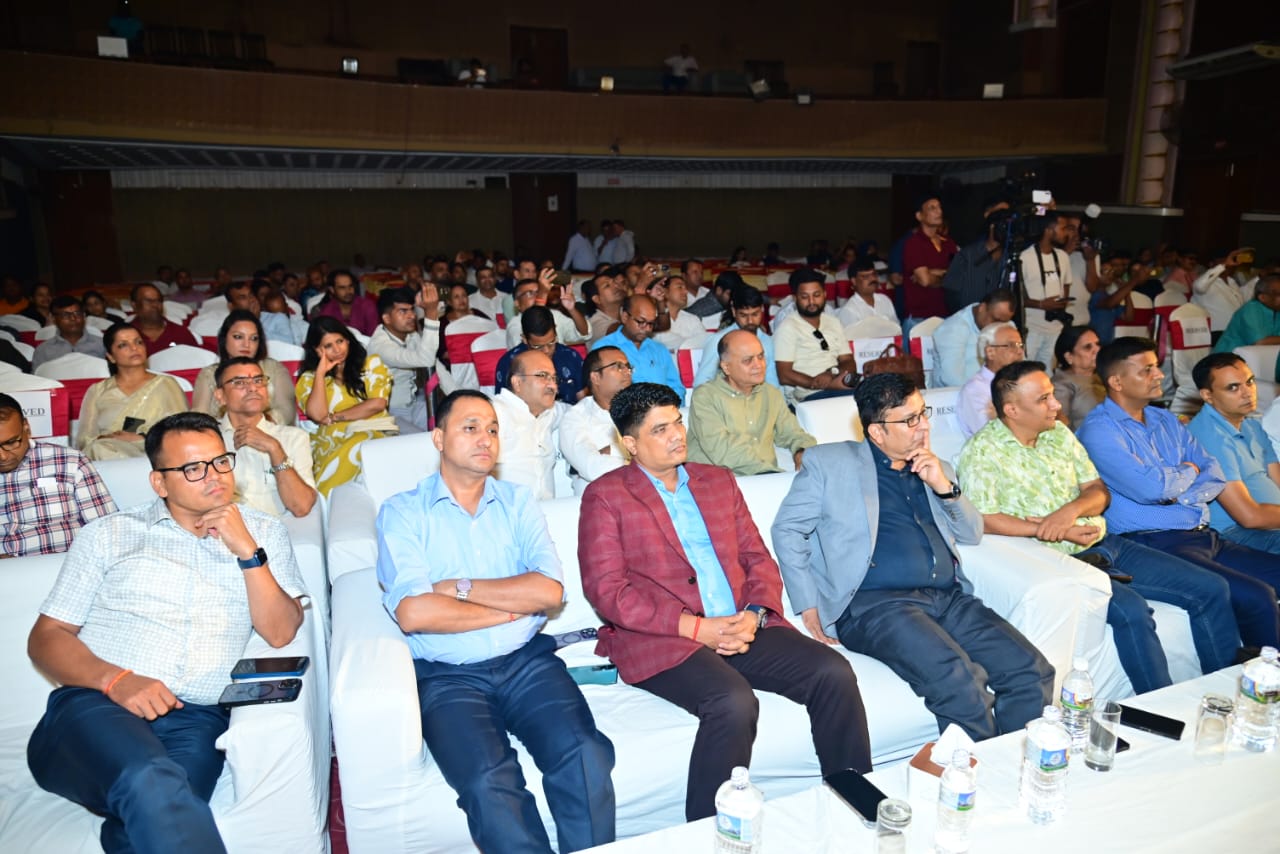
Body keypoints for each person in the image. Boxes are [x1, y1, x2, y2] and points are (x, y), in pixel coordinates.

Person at [579, 383, 871, 822]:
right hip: (668, 638)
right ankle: (707, 831)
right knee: (733, 701)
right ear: (631, 443)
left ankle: (854, 800)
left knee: (833, 672)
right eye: (661, 429)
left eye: (677, 421)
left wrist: (754, 615)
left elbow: (757, 558)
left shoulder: (716, 480)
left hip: (742, 625)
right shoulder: (606, 495)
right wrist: (697, 628)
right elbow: (608, 591)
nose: (677, 434)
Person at [27, 412, 306, 854]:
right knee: (151, 780)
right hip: (95, 708)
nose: (213, 477)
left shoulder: (265, 532)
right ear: (159, 483)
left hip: (194, 720)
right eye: (193, 469)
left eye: (221, 462)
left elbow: (280, 632)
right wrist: (115, 680)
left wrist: (248, 553)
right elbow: (46, 636)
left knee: (150, 816)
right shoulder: (110, 534)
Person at [376, 390, 615, 852]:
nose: (485, 438)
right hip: (448, 678)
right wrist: (509, 606)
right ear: (438, 438)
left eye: (492, 429)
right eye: (470, 427)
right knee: (489, 782)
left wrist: (458, 587)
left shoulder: (517, 501)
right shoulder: (402, 512)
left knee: (586, 754)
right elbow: (414, 612)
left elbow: (549, 592)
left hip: (527, 662)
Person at [771, 372, 1054, 741]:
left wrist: (944, 487)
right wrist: (807, 601)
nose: (923, 427)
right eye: (909, 420)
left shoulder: (938, 468)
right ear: (876, 432)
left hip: (949, 599)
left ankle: (1016, 770)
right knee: (962, 682)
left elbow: (971, 532)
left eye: (923, 414)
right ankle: (973, 787)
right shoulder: (830, 463)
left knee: (1031, 670)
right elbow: (788, 529)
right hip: (877, 606)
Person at [957, 361, 1240, 687]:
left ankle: (1226, 694)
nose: (1056, 405)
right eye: (1043, 400)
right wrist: (1049, 529)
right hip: (1055, 560)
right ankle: (1158, 710)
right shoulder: (982, 452)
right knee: (1133, 611)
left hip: (1102, 542)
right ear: (1012, 410)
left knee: (1211, 588)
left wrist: (1069, 512)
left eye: (1052, 395)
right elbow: (983, 519)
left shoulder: (1058, 434)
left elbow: (1097, 491)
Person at [1077, 337, 1280, 648]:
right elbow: (1151, 490)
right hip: (1154, 541)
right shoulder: (1100, 430)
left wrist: (1178, 492)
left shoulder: (1163, 418)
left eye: (1156, 367)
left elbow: (1213, 473)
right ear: (1116, 381)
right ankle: (1254, 683)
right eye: (1146, 370)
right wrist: (1187, 475)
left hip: (1203, 534)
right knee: (1256, 595)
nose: (1159, 375)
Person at [0, 392, 116, 557]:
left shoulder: (69, 460)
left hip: (65, 567)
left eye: (11, 442)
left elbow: (107, 529)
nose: (3, 456)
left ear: (26, 428)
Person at [1187, 352, 1280, 554]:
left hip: (1271, 524)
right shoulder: (1209, 437)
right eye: (1233, 388)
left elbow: (1277, 478)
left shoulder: (1251, 425)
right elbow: (1249, 517)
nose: (1248, 393)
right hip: (1233, 534)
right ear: (1207, 395)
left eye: (1250, 382)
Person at [688, 331, 815, 475]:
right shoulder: (705, 396)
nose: (758, 365)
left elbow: (792, 433)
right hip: (720, 482)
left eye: (760, 356)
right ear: (726, 367)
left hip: (765, 479)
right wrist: (772, 474)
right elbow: (722, 450)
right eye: (748, 360)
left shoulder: (771, 394)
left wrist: (802, 451)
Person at [295, 316, 392, 497]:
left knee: (361, 442)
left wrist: (335, 417)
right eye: (328, 346)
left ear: (348, 340)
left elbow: (377, 403)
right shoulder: (309, 379)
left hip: (372, 431)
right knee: (353, 445)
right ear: (317, 350)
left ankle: (320, 498)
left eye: (340, 341)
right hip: (329, 441)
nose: (337, 349)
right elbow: (317, 414)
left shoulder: (371, 364)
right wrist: (320, 374)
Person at [212, 357, 317, 518]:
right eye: (240, 382)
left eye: (258, 380)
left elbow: (301, 507)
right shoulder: (208, 440)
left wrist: (275, 449)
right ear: (220, 396)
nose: (252, 388)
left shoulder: (293, 438)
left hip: (274, 533)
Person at [76, 323, 188, 461]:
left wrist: (142, 438)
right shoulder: (98, 390)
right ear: (110, 356)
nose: (134, 348)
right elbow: (84, 439)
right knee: (99, 449)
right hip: (105, 455)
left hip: (154, 455)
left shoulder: (166, 384)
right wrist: (110, 439)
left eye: (138, 342)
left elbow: (182, 430)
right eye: (123, 345)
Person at [191, 310, 297, 426]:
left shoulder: (274, 369)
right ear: (224, 338)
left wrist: (256, 426)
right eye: (238, 337)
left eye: (254, 338)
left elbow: (286, 411)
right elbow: (199, 416)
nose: (246, 344)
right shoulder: (208, 374)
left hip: (270, 433)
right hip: (221, 437)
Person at [491, 349, 570, 500]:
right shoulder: (492, 412)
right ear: (517, 383)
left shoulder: (552, 412)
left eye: (554, 378)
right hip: (505, 514)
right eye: (542, 376)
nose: (552, 385)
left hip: (548, 513)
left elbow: (586, 410)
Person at [774, 270, 857, 401]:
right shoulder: (787, 327)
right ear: (795, 298)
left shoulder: (833, 322)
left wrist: (831, 373)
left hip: (837, 386)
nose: (811, 301)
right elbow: (784, 374)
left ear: (824, 294)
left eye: (816, 295)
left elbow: (849, 362)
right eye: (805, 297)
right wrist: (816, 383)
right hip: (809, 395)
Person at [367, 286, 440, 434]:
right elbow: (425, 359)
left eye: (412, 309)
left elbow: (436, 366)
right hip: (391, 413)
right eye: (403, 311)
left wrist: (459, 394)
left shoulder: (410, 335)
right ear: (386, 318)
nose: (412, 316)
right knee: (423, 444)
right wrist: (431, 314)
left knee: (451, 425)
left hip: (415, 404)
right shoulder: (380, 346)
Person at [559, 346, 631, 495]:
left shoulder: (642, 409)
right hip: (599, 502)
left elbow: (659, 455)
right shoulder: (575, 417)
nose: (627, 372)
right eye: (618, 366)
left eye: (628, 367)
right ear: (595, 377)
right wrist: (627, 450)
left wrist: (610, 450)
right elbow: (592, 467)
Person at [590, 295, 684, 398]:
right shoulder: (603, 349)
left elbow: (677, 388)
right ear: (625, 317)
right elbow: (600, 394)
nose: (647, 329)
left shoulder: (659, 350)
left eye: (651, 323)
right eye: (641, 322)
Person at [494, 306, 585, 405]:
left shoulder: (570, 356)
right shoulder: (509, 364)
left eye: (551, 342)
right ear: (524, 339)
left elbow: (583, 399)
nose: (546, 350)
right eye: (537, 346)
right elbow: (503, 406)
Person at [1017, 212, 1075, 367]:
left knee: (1048, 375)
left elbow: (1066, 284)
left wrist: (1062, 303)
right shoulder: (1025, 257)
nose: (1067, 233)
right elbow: (1016, 296)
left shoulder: (1062, 256)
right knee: (1026, 371)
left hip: (1056, 328)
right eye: (1063, 228)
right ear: (1049, 230)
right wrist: (1041, 305)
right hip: (1031, 328)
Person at [695, 284, 779, 388]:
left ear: (762, 309)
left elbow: (773, 383)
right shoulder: (718, 340)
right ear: (734, 311)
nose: (750, 321)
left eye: (755, 314)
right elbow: (702, 383)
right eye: (743, 315)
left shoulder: (767, 341)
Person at [931, 289, 1016, 388]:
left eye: (1004, 322)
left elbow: (1019, 364)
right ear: (982, 308)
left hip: (999, 391)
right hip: (958, 395)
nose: (998, 326)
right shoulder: (954, 329)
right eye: (995, 319)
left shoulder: (1007, 326)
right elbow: (952, 380)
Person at [901, 194, 958, 332]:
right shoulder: (914, 243)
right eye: (932, 208)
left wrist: (933, 272)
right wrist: (946, 275)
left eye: (939, 207)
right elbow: (925, 281)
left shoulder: (948, 243)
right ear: (920, 216)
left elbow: (958, 277)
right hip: (919, 317)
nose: (938, 211)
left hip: (946, 315)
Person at [941, 199, 1009, 314]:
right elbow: (950, 293)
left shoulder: (1010, 258)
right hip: (967, 323)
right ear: (992, 225)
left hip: (998, 324)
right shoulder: (968, 255)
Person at [956, 322, 1022, 437]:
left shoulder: (1024, 383)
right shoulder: (975, 390)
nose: (1020, 351)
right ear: (990, 352)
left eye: (1020, 345)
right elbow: (990, 436)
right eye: (1012, 345)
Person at [1051, 325, 1106, 430]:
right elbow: (1060, 428)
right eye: (1088, 347)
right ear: (1069, 356)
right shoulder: (1061, 384)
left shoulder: (1104, 376)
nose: (1097, 350)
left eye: (1098, 344)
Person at [31, 296, 105, 371]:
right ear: (54, 319)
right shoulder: (43, 350)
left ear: (84, 316)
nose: (73, 318)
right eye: (65, 315)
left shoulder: (102, 345)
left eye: (77, 313)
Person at [1192, 248, 1252, 340]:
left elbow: (1245, 302)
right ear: (1211, 264)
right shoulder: (1206, 282)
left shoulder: (1232, 282)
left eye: (1231, 261)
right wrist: (1223, 265)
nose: (1229, 264)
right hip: (1215, 335)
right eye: (1223, 261)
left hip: (1235, 332)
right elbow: (1199, 286)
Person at [1213, 273, 1280, 353]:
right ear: (1263, 297)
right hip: (1226, 360)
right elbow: (1260, 342)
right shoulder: (1251, 309)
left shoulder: (1276, 310)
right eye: (1278, 294)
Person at [129, 284, 197, 355]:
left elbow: (200, 361)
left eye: (158, 301)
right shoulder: (123, 335)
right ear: (134, 305)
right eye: (148, 301)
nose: (155, 305)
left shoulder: (181, 333)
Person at [836, 257, 899, 331]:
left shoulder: (885, 300)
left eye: (874, 274)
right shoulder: (849, 310)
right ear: (854, 281)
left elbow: (897, 330)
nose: (873, 279)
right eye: (866, 276)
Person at [313, 269, 379, 337]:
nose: (348, 291)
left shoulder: (367, 306)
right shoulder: (327, 312)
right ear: (332, 290)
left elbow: (374, 337)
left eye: (350, 286)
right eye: (342, 288)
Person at [652, 274, 709, 351]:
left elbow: (704, 342)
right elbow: (661, 337)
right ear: (665, 292)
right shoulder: (652, 315)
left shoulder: (692, 319)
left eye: (686, 288)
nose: (686, 292)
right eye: (680, 287)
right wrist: (689, 344)